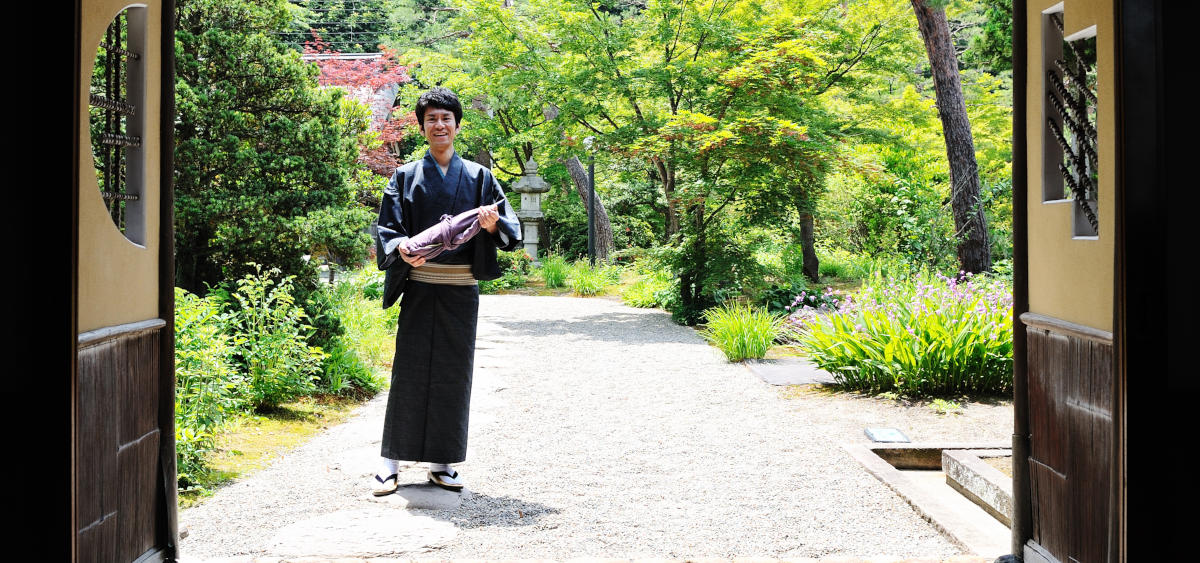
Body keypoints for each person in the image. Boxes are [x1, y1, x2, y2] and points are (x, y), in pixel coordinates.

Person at [370, 87, 521, 495]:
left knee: (455, 374)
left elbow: (510, 231)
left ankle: (442, 462)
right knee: (409, 372)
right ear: (422, 127)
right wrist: (399, 247)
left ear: (457, 125)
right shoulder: (404, 176)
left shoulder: (480, 177)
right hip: (420, 284)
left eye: (446, 118)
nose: (439, 125)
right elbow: (388, 230)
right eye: (431, 119)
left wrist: (492, 225)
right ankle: (389, 462)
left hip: (460, 290)